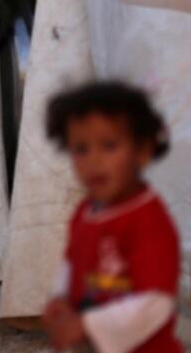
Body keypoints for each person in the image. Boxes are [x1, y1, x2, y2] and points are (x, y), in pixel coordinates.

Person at [41, 81, 180, 353]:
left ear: (142, 151)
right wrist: (61, 297)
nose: (94, 161)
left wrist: (87, 324)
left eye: (109, 145)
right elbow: (72, 261)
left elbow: (155, 301)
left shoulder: (149, 221)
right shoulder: (85, 211)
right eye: (81, 149)